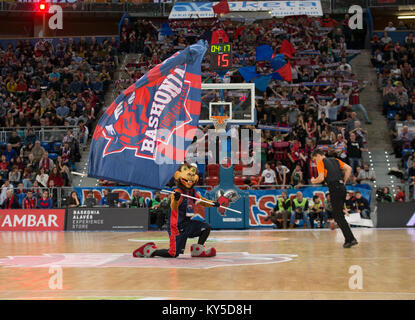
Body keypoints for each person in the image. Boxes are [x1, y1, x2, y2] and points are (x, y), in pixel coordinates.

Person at [133, 163, 219, 258]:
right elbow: (173, 206)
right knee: (173, 253)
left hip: (187, 224)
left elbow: (202, 201)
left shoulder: (192, 192)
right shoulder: (177, 192)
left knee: (206, 227)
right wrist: (177, 199)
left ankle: (197, 250)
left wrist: (213, 203)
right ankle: (150, 250)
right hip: (176, 227)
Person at [310, 149, 358, 248]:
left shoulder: (320, 162)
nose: (315, 161)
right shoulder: (335, 160)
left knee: (338, 215)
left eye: (314, 159)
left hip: (334, 188)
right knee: (339, 215)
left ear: (318, 155)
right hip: (342, 188)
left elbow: (321, 178)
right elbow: (348, 168)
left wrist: (313, 181)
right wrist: (344, 181)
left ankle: (351, 239)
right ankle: (349, 239)